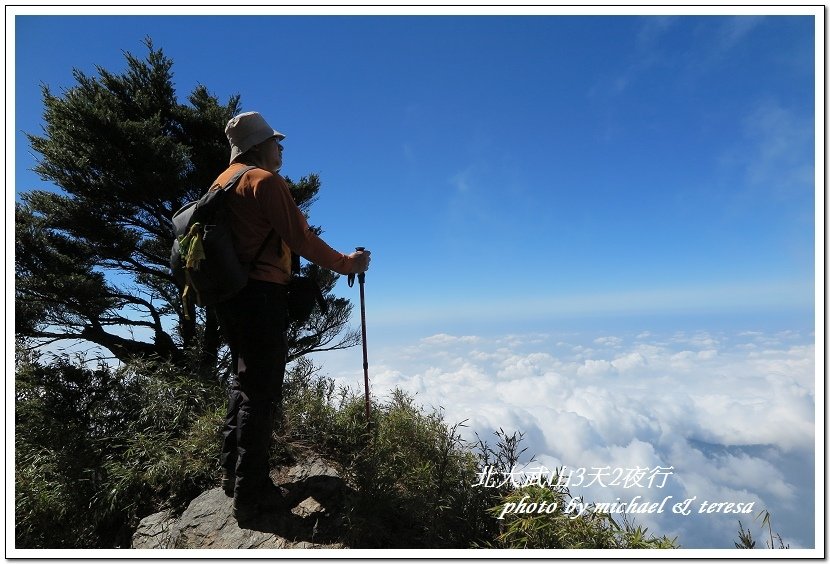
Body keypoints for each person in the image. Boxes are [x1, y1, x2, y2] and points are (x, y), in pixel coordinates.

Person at [213, 111, 370, 521]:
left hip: (232, 297)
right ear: (257, 146)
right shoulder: (264, 181)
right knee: (260, 394)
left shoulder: (222, 182)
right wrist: (347, 265)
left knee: (244, 383)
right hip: (261, 296)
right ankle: (252, 495)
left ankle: (233, 476)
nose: (280, 147)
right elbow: (300, 237)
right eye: (274, 141)